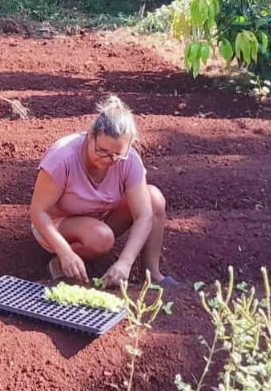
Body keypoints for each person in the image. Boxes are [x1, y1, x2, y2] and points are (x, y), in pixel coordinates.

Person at [28, 95, 171, 286]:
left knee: (154, 198)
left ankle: (151, 274)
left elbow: (144, 214)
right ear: (90, 136)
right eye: (101, 151)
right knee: (101, 237)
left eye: (116, 155)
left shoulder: (130, 160)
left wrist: (125, 263)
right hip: (55, 224)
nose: (108, 159)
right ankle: (60, 263)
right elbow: (38, 211)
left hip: (98, 218)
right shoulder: (62, 158)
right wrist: (65, 252)